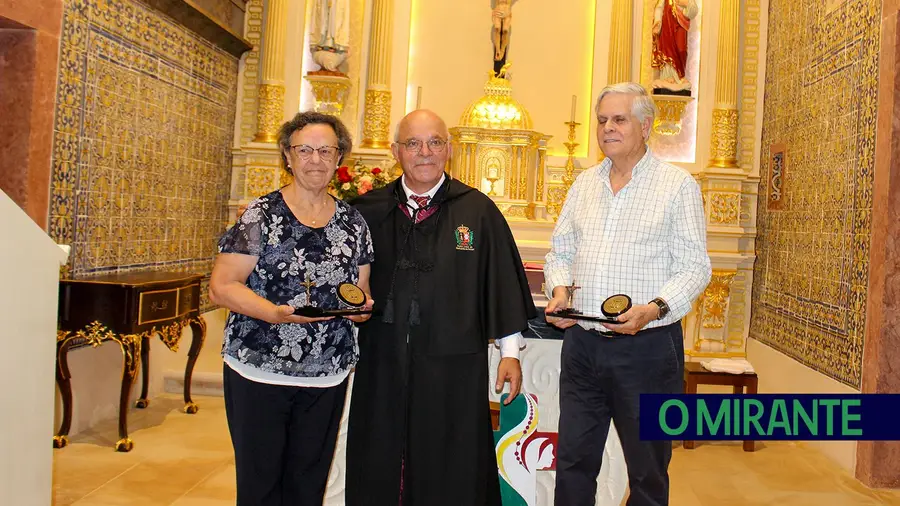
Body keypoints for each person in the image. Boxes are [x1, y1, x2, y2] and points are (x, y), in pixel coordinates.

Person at [345, 109, 536, 506]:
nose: (424, 152)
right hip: (382, 360)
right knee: (378, 451)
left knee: (452, 458)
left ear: (448, 149)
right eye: (413, 143)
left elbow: (499, 282)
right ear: (397, 151)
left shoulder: (477, 211)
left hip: (453, 363)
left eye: (434, 142)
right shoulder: (366, 211)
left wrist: (510, 354)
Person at [544, 82, 711, 506]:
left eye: (619, 119)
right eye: (602, 120)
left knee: (648, 470)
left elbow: (695, 266)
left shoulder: (677, 186)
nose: (607, 128)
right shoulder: (583, 184)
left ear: (646, 126)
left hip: (648, 350)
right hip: (582, 346)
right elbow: (560, 251)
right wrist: (560, 290)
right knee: (574, 461)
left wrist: (654, 309)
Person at [209, 111, 374, 506]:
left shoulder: (354, 223)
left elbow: (360, 293)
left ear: (339, 159)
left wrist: (362, 311)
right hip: (259, 370)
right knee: (261, 484)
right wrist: (273, 313)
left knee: (307, 486)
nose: (315, 159)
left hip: (325, 375)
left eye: (325, 150)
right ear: (287, 155)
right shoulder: (260, 216)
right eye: (305, 150)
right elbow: (221, 287)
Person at [651, 0, 699, 93]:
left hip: (680, 26)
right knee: (667, 51)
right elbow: (659, 7)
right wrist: (657, 22)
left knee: (681, 50)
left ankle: (679, 76)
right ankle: (668, 77)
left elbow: (693, 10)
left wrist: (686, 4)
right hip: (666, 28)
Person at [491, 0, 517, 76]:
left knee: (505, 30)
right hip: (498, 11)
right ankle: (498, 50)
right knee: (497, 28)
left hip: (507, 12)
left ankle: (502, 50)